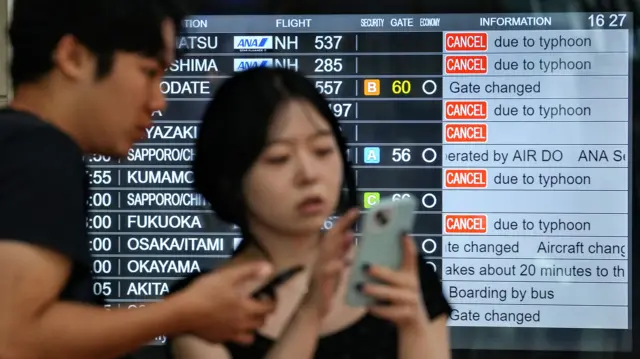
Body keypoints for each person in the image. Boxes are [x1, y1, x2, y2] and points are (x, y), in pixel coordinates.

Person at [0, 2, 285, 358]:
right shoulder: (40, 152)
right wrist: (184, 312)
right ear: (73, 57)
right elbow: (12, 338)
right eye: (149, 72)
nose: (159, 102)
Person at [167, 67, 452, 359]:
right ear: (231, 179)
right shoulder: (201, 307)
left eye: (322, 150)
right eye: (279, 159)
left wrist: (414, 324)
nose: (309, 174)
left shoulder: (398, 275)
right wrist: (311, 311)